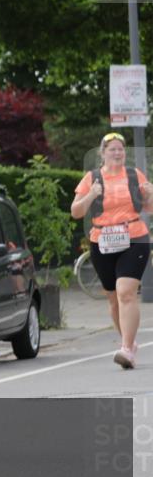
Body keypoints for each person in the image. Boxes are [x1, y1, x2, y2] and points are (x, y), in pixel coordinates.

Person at [70, 132, 153, 369]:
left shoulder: (134, 175)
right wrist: (91, 195)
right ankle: (129, 342)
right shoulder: (92, 178)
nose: (117, 153)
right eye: (112, 149)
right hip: (102, 240)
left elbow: (150, 207)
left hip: (134, 236)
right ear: (102, 153)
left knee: (125, 291)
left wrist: (150, 193)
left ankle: (126, 349)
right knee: (114, 299)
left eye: (121, 149)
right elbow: (76, 212)